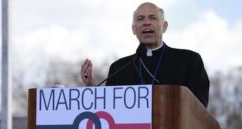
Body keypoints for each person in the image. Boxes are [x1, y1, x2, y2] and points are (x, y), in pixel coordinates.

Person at [81, 2, 209, 107]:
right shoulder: (119, 68)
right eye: (140, 19)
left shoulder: (189, 61)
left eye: (153, 18)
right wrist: (93, 89)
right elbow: (108, 110)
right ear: (134, 29)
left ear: (164, 26)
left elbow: (199, 108)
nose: (146, 22)